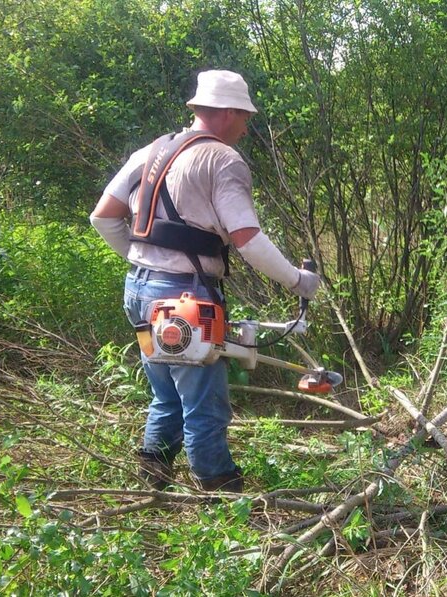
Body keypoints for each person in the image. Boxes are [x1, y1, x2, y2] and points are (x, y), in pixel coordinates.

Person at [89, 70, 319, 492]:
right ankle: (219, 491)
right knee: (204, 404)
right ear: (228, 112)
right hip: (185, 300)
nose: (247, 127)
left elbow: (103, 216)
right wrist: (297, 281)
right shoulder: (222, 159)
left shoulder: (151, 151)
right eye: (245, 117)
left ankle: (151, 478)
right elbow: (248, 239)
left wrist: (145, 262)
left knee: (167, 395)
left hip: (140, 293)